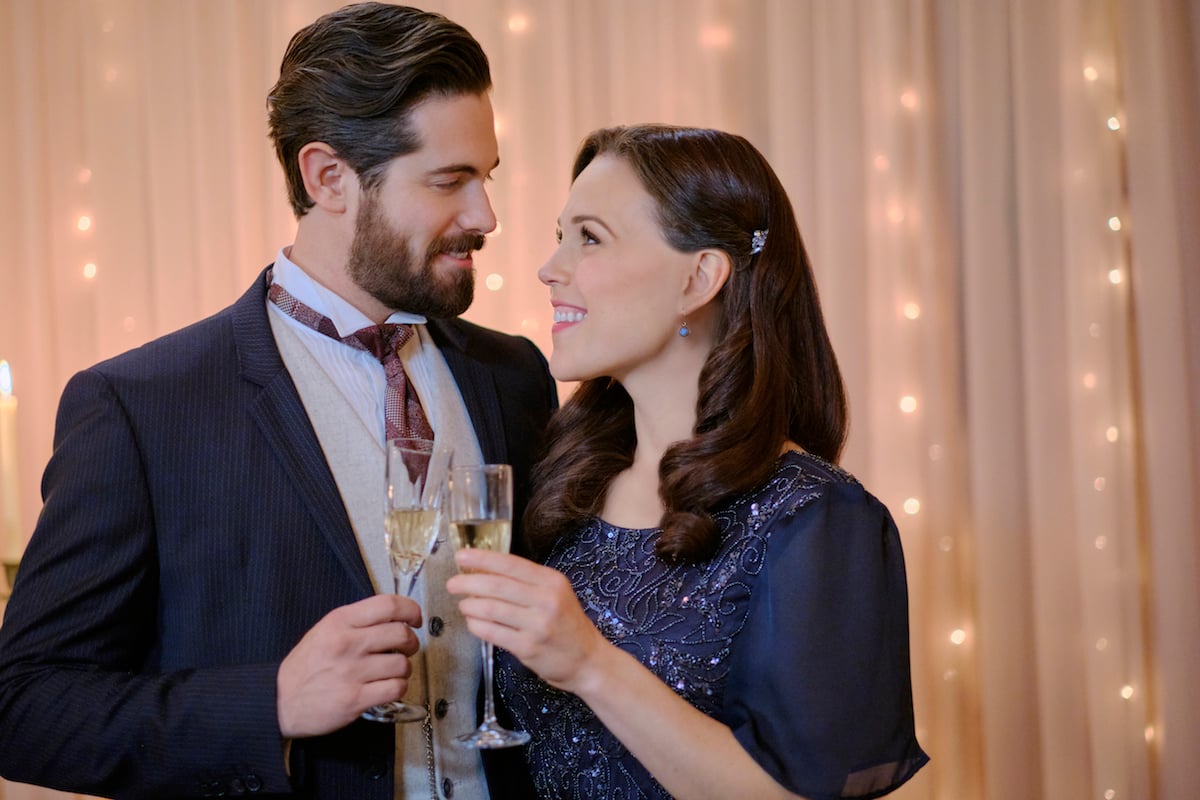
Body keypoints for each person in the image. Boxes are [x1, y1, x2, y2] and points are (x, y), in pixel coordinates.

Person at [0, 4, 555, 799]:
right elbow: (25, 706)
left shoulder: (514, 376)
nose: (485, 216)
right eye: (449, 181)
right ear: (328, 177)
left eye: (486, 177)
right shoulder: (141, 408)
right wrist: (272, 704)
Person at [446, 124, 929, 800]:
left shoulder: (817, 519)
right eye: (561, 236)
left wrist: (591, 664)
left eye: (590, 238)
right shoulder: (564, 488)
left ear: (698, 279)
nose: (550, 267)